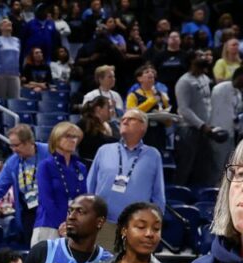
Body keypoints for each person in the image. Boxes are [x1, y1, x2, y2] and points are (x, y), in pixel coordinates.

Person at [86, 108, 166, 250]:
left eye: (131, 119)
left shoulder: (153, 155)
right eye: (123, 119)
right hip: (104, 225)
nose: (124, 121)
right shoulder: (104, 150)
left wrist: (155, 225)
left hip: (136, 227)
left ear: (143, 126)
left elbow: (158, 194)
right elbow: (89, 188)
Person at [0, 124, 50, 247]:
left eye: (16, 145)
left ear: (29, 142)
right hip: (28, 213)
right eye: (11, 145)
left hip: (50, 211)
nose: (13, 149)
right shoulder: (13, 161)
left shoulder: (49, 152)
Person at [33, 121, 86, 244]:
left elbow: (83, 199)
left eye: (75, 137)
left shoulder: (80, 167)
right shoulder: (46, 165)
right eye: (68, 136)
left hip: (73, 227)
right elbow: (46, 199)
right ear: (56, 139)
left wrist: (73, 223)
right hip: (48, 225)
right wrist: (62, 223)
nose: (73, 140)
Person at [175, 49, 218, 187]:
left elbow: (208, 103)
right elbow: (184, 109)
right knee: (186, 165)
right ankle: (179, 194)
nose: (204, 57)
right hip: (189, 129)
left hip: (205, 129)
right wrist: (202, 125)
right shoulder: (184, 81)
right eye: (200, 56)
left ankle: (203, 196)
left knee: (206, 166)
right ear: (191, 61)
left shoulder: (205, 78)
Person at [210, 68, 243, 169]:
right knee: (218, 167)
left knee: (228, 167)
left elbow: (235, 114)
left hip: (231, 135)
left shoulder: (238, 93)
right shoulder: (221, 88)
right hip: (218, 133)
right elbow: (218, 113)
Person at [77, 95, 118, 162]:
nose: (112, 111)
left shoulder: (111, 125)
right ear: (98, 109)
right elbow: (100, 142)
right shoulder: (85, 124)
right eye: (109, 108)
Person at [0, 18, 22, 100]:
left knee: (15, 99)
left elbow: (18, 57)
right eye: (5, 22)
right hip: (0, 73)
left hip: (15, 73)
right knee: (1, 99)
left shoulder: (17, 40)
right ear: (1, 27)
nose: (9, 23)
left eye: (10, 22)